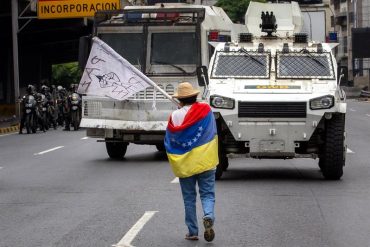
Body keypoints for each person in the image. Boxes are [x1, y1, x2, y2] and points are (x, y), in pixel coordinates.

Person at [164, 82, 219, 242]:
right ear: (195, 96)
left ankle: (192, 231)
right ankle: (208, 215)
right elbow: (213, 131)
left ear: (180, 100)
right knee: (207, 194)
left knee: (189, 198)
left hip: (186, 162)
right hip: (206, 160)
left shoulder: (174, 116)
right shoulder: (206, 109)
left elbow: (170, 139)